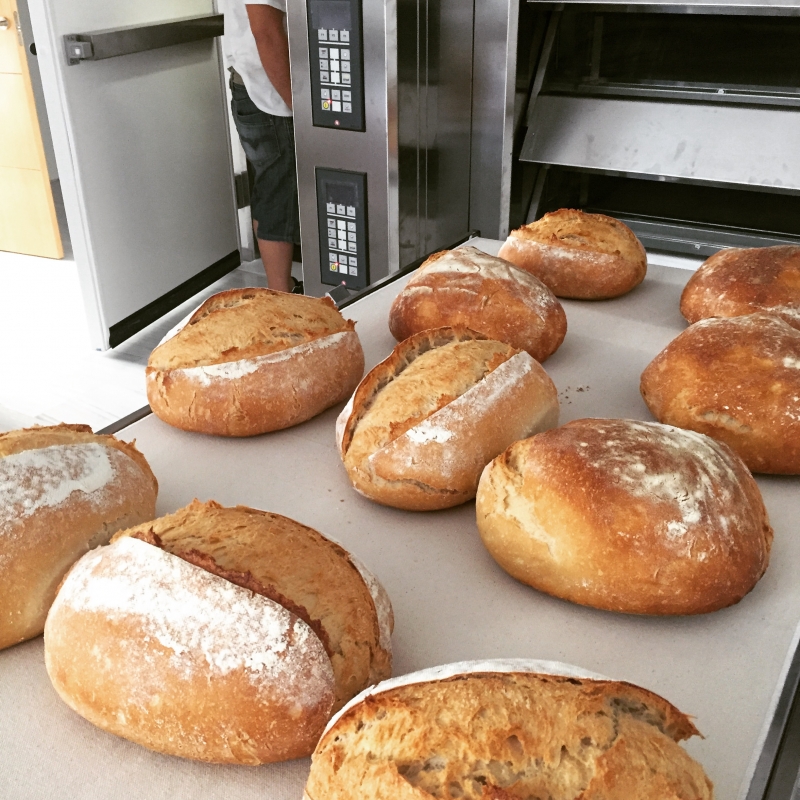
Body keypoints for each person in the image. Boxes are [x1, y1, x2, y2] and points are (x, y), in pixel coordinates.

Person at [221, 0, 299, 293]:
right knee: (278, 192)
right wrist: (300, 108)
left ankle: (281, 288)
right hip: (270, 93)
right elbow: (264, 31)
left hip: (259, 86)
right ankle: (282, 296)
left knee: (270, 188)